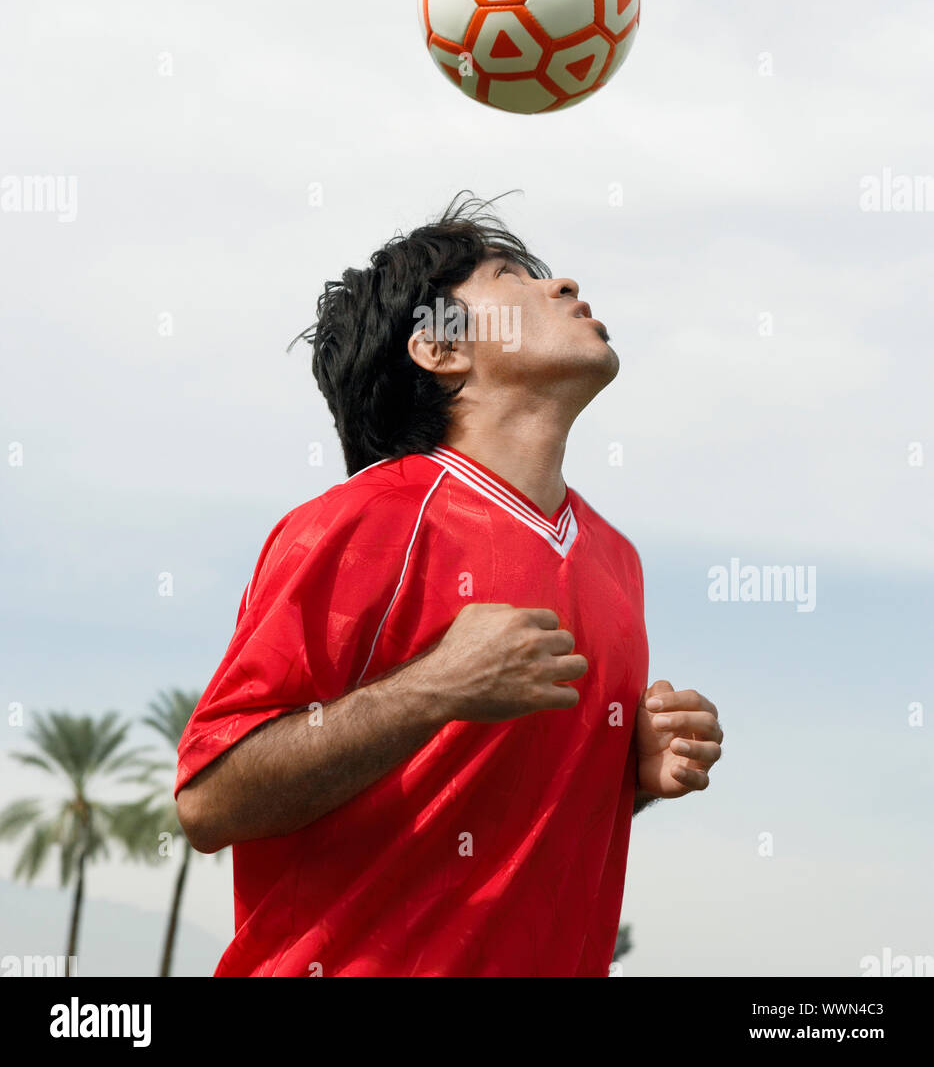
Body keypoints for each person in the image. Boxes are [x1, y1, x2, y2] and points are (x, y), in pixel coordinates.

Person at [174, 190, 723, 976]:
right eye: (511, 276)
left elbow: (488, 801)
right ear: (439, 349)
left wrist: (627, 774)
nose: (562, 286)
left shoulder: (617, 559)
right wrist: (434, 686)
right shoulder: (363, 520)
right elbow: (209, 801)